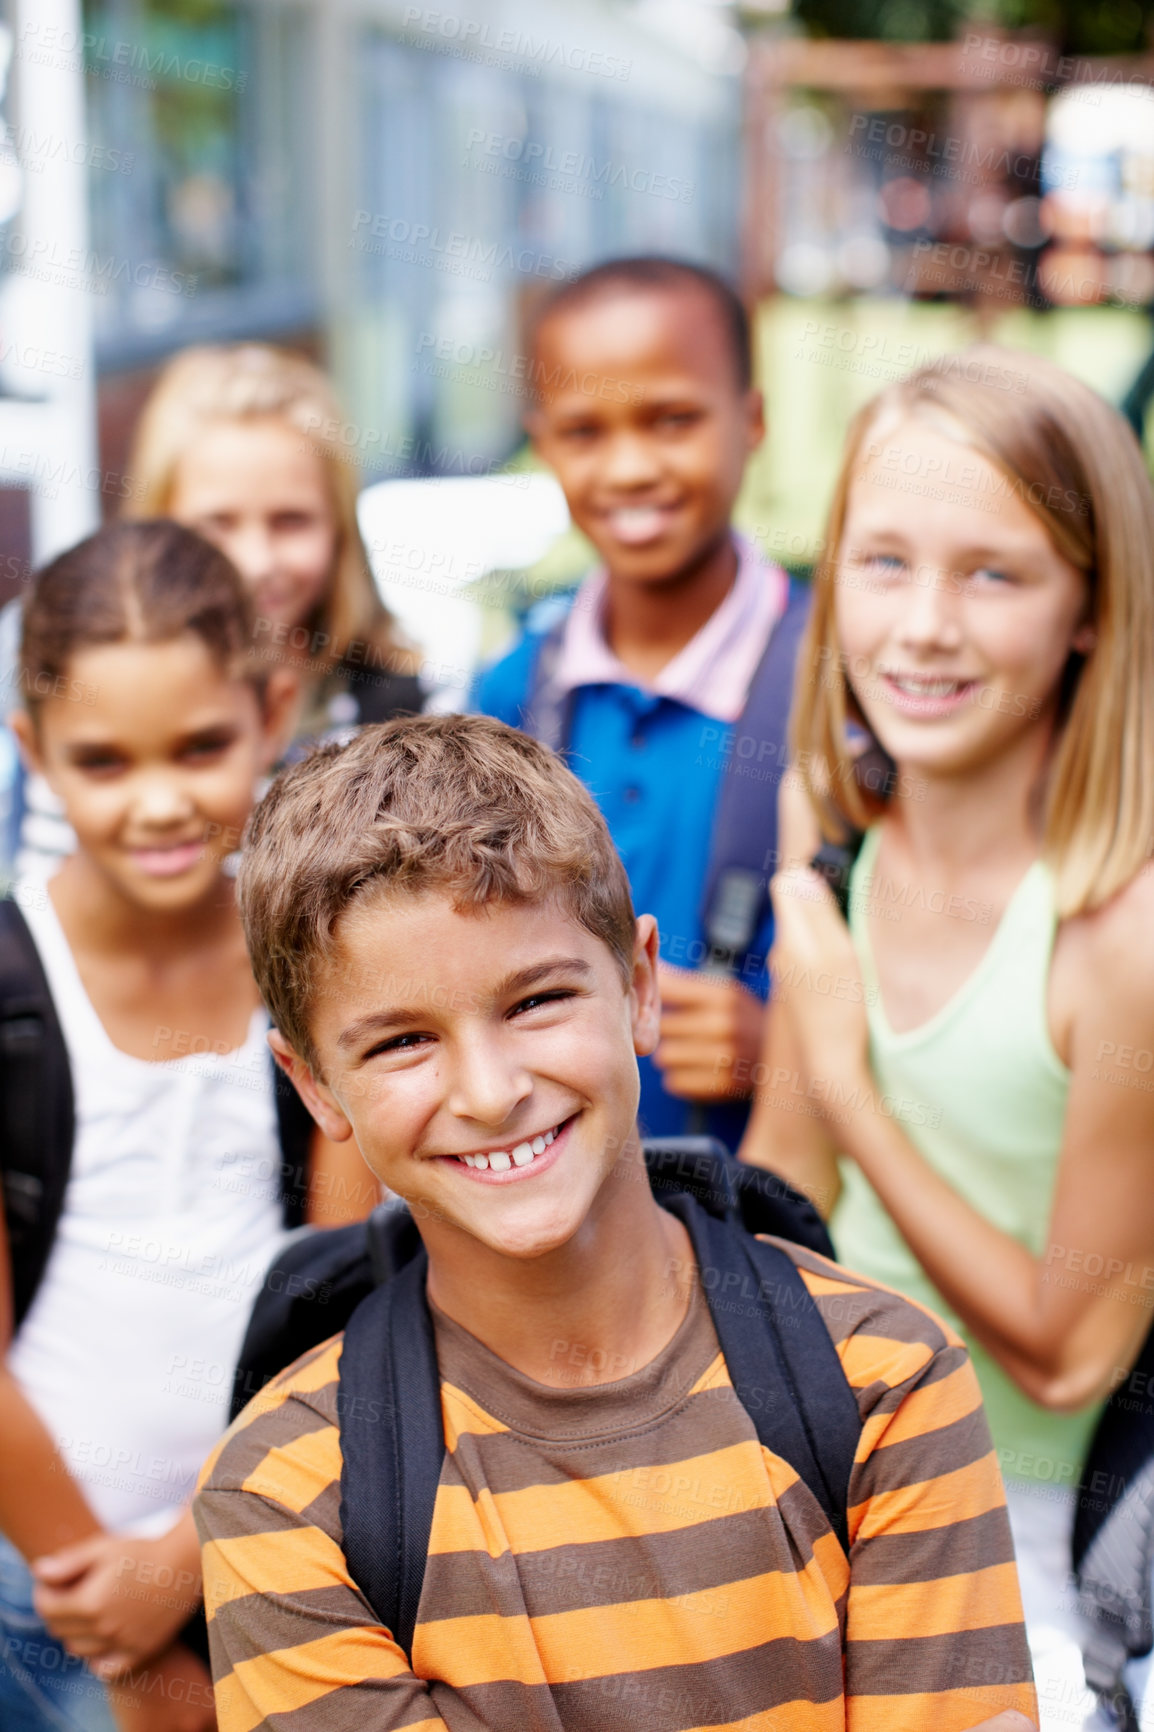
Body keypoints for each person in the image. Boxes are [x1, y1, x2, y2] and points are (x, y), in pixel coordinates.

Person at [194, 711, 1037, 1732]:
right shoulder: (287, 1493)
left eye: (536, 1000)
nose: (492, 1089)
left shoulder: (884, 1383)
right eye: (402, 1041)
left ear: (639, 986)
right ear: (313, 1083)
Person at [738, 347, 1154, 1731]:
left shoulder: (1119, 931)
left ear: (1090, 608)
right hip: (818, 1485)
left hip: (1021, 1545)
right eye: (882, 563)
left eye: (992, 574)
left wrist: (850, 1081)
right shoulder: (838, 832)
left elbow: (1064, 1352)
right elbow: (786, 1209)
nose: (920, 626)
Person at [0, 522, 376, 1732]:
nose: (159, 801)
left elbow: (340, 1298)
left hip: (284, 1544)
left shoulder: (316, 962)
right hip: (46, 1592)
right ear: (34, 755)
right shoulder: (12, 981)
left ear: (273, 712)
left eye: (202, 747)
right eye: (104, 761)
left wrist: (189, 1555)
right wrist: (120, 1616)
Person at [475, 257, 796, 1149]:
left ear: (753, 419)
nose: (630, 467)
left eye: (673, 420)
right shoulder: (510, 698)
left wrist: (790, 1052)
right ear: (543, 444)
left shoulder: (840, 694)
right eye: (585, 431)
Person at [2, 343, 424, 881]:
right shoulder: (78, 680)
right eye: (217, 524)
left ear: (340, 530)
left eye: (290, 521)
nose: (255, 562)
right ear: (155, 522)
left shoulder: (404, 706)